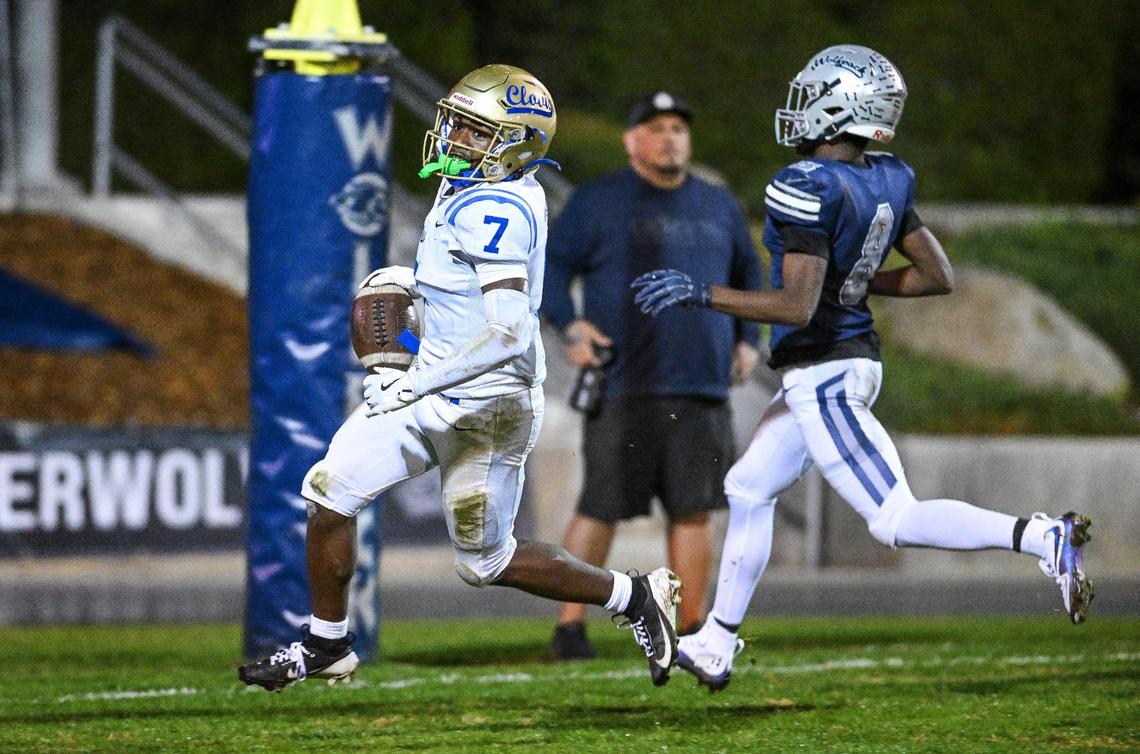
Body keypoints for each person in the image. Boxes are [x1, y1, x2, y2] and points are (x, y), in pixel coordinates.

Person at [630, 45, 1093, 692]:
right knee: (748, 487)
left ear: (839, 105)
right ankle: (715, 641)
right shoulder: (888, 176)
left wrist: (702, 293)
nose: (797, 108)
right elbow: (937, 276)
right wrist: (853, 280)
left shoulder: (804, 184)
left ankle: (1042, 537)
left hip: (825, 372)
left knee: (893, 518)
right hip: (839, 365)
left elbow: (795, 306)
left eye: (810, 93)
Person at [238, 64, 682, 692]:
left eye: (474, 131)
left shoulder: (495, 205)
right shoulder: (473, 186)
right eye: (458, 123)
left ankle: (632, 595)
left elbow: (506, 334)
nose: (452, 137)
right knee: (328, 495)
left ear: (516, 143)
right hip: (435, 380)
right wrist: (408, 296)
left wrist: (412, 383)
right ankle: (326, 643)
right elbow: (463, 293)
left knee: (486, 562)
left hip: (488, 404)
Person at [542, 91, 765, 660]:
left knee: (694, 509)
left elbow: (750, 275)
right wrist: (570, 327)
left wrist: (748, 339)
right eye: (656, 127)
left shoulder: (717, 205)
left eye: (678, 128)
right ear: (631, 139)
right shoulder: (598, 202)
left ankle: (690, 626)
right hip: (625, 383)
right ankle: (570, 627)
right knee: (600, 506)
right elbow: (549, 270)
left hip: (701, 385)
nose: (670, 137)